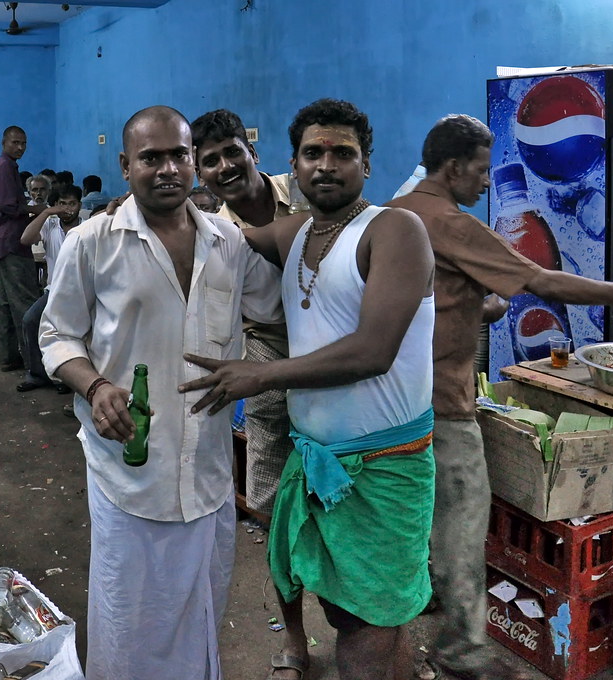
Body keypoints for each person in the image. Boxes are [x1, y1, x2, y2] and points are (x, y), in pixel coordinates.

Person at [386, 113, 613, 680]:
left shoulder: (395, 213)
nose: (488, 182)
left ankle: (421, 613)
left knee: (416, 520)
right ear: (452, 168)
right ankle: (462, 652)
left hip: (393, 404)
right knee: (464, 527)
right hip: (443, 406)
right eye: (479, 169)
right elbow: (541, 280)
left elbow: (438, 297)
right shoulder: (451, 221)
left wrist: (474, 303)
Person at [181, 99, 437, 680]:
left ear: (366, 165)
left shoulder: (394, 230)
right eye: (312, 153)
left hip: (385, 470)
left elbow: (374, 351)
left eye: (342, 153)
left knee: (365, 634)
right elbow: (230, 229)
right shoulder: (297, 231)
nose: (327, 165)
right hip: (318, 462)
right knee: (352, 616)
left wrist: (261, 374)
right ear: (292, 167)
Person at [39, 106, 283, 680]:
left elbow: (276, 310)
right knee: (128, 618)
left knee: (202, 610)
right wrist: (95, 386)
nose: (168, 168)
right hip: (129, 472)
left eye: (179, 154)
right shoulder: (92, 243)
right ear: (126, 166)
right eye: (152, 157)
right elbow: (56, 334)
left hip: (208, 469)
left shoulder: (229, 242)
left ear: (194, 162)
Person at [191, 108, 300, 520]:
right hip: (269, 345)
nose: (226, 167)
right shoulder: (215, 237)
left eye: (232, 152)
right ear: (200, 175)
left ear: (251, 151)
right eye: (211, 161)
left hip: (339, 343)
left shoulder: (304, 189)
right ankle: (281, 565)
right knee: (270, 468)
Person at [0, 126, 44, 372]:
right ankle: (37, 366)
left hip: (1, 244)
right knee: (26, 305)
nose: (20, 147)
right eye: (15, 142)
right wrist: (39, 210)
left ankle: (9, 357)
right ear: (4, 143)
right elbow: (9, 206)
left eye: (24, 143)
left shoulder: (5, 166)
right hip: (12, 242)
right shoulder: (6, 167)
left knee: (4, 304)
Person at [17, 185, 83, 393]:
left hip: (82, 291)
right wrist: (46, 212)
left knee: (73, 333)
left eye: (72, 203)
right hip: (54, 290)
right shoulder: (50, 224)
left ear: (79, 205)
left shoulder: (87, 225)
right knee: (30, 321)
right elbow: (25, 239)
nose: (67, 208)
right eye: (62, 203)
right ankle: (38, 374)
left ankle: (70, 378)